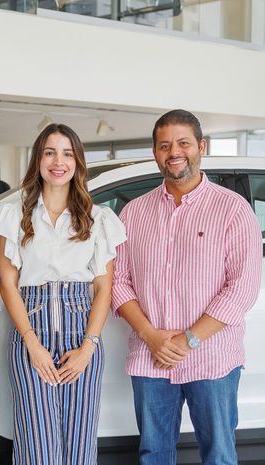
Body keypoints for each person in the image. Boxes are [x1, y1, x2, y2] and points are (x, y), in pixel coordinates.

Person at [112, 109, 262, 465]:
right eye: (165, 145)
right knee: (153, 454)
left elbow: (242, 286)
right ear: (155, 153)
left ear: (201, 147)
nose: (174, 151)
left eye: (183, 143)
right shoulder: (133, 213)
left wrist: (187, 339)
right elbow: (119, 282)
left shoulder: (232, 209)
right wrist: (151, 336)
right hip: (151, 358)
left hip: (211, 357)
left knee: (219, 455)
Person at [0, 123, 126, 465]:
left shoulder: (98, 219)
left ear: (77, 162)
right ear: (38, 159)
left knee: (79, 447)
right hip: (31, 337)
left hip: (81, 338)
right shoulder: (14, 216)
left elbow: (103, 288)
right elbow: (8, 285)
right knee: (37, 447)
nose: (58, 161)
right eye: (50, 152)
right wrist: (31, 343)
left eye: (67, 153)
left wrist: (88, 348)